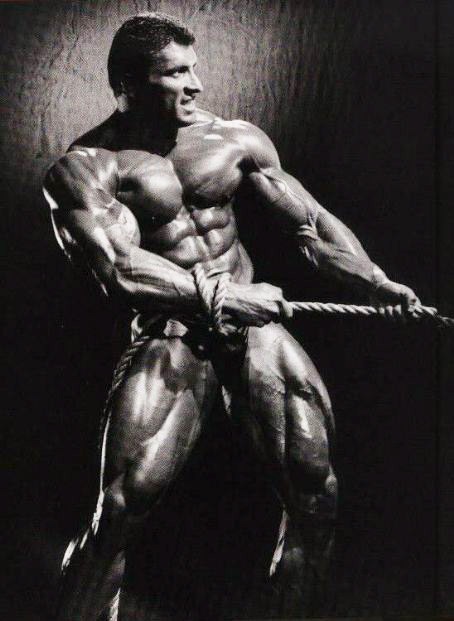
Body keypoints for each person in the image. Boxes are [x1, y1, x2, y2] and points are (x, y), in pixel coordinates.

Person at [43, 12, 421, 621]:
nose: (195, 84)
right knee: (118, 511)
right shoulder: (86, 166)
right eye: (175, 73)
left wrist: (374, 282)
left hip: (251, 328)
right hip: (171, 331)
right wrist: (219, 295)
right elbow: (119, 268)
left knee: (316, 496)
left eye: (194, 68)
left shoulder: (232, 139)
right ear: (128, 85)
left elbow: (311, 226)